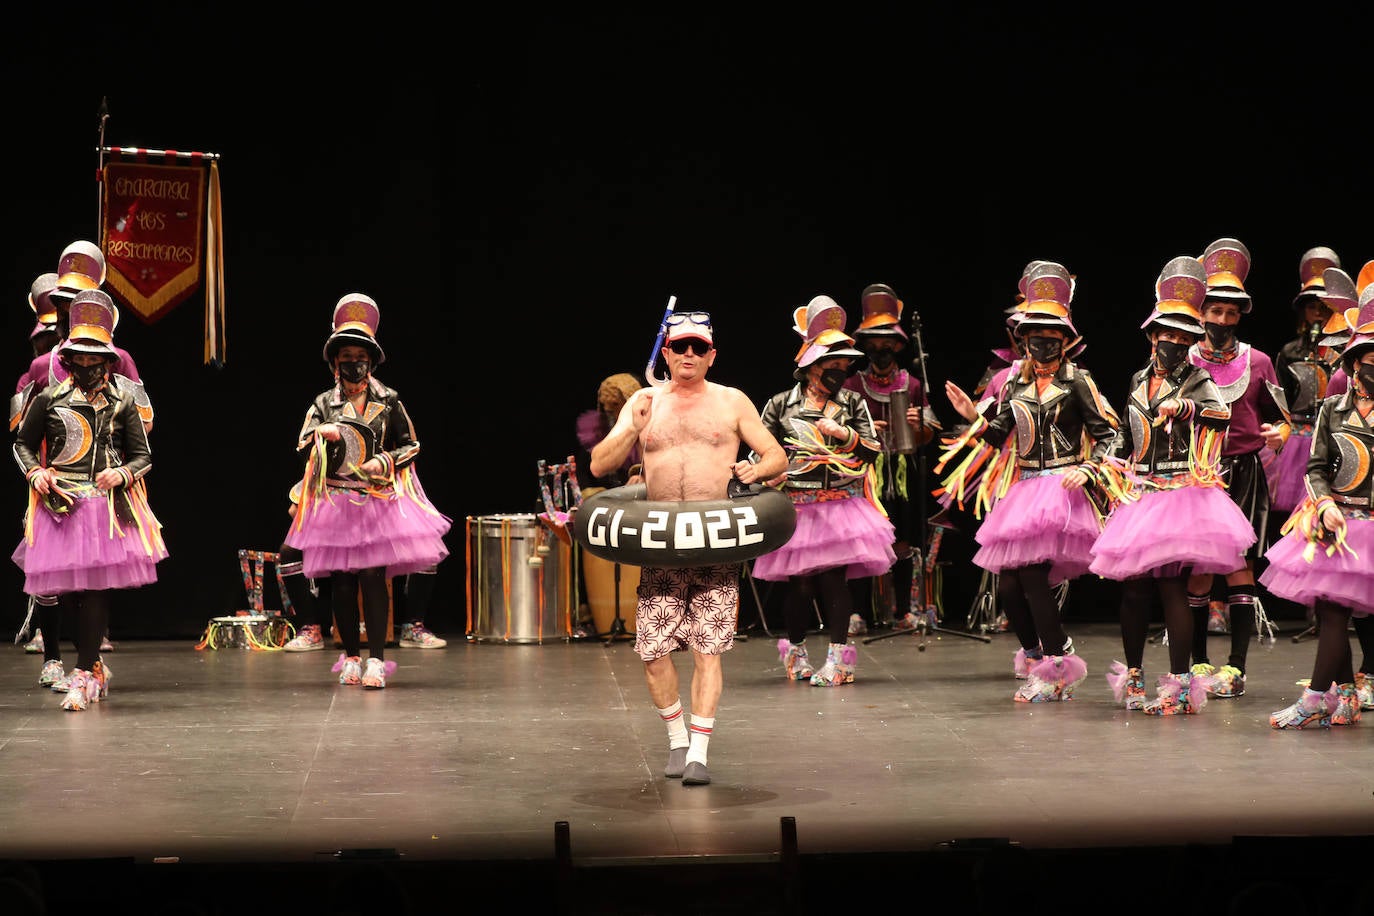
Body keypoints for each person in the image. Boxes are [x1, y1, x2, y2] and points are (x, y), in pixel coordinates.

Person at [588, 309, 785, 786]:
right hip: (660, 546)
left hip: (714, 544)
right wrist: (631, 428)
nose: (689, 354)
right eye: (680, 347)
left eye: (699, 347)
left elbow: (776, 455)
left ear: (712, 355)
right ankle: (677, 740)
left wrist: (755, 470)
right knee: (653, 653)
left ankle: (699, 751)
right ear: (667, 353)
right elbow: (598, 465)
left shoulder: (731, 401)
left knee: (707, 651)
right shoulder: (644, 401)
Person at [942, 260, 1119, 702]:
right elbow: (998, 435)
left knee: (1034, 577)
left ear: (1065, 338)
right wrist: (972, 417)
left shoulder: (1078, 382)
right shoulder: (1014, 385)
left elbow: (1109, 435)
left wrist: (1090, 468)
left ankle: (1055, 666)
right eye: (1034, 334)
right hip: (1024, 489)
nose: (1042, 341)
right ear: (1023, 339)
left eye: (1051, 333)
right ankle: (1041, 653)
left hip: (1060, 489)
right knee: (1008, 585)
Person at [1088, 255, 1255, 715]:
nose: (1176, 343)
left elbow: (1221, 414)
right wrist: (1102, 463)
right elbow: (1126, 435)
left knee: (1170, 589)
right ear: (1152, 335)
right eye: (1169, 334)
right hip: (1142, 493)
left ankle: (1180, 685)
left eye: (1185, 337)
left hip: (1180, 492)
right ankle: (1135, 676)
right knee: (1134, 591)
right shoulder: (1138, 379)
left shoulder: (1197, 378)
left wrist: (1186, 408)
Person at [283, 293, 451, 688]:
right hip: (336, 502)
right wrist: (321, 435)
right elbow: (302, 443)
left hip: (375, 500)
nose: (353, 363)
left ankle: (376, 659)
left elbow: (411, 444)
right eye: (346, 356)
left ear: (371, 361)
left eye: (360, 356)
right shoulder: (323, 403)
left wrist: (384, 461)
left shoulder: (389, 400)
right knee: (342, 581)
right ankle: (351, 658)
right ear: (334, 362)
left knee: (374, 577)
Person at [11, 290, 167, 710]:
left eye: (94, 358)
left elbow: (143, 455)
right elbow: (23, 444)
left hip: (104, 508)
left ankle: (83, 674)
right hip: (60, 506)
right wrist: (37, 472)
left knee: (96, 589)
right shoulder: (50, 398)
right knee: (69, 591)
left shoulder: (122, 401)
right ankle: (89, 665)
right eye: (78, 358)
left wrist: (122, 472)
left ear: (107, 361)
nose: (86, 365)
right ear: (68, 360)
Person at [16, 244, 148, 670]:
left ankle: (88, 662)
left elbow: (144, 424)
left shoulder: (120, 361)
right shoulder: (44, 366)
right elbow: (21, 428)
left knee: (93, 580)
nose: (68, 308)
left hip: (102, 480)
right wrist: (38, 471)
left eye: (76, 300)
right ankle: (53, 656)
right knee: (50, 575)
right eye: (63, 301)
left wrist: (117, 462)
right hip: (52, 478)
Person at [753, 295, 895, 688]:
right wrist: (760, 473)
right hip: (797, 507)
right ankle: (795, 651)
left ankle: (839, 660)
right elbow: (760, 451)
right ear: (811, 365)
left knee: (834, 580)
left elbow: (872, 450)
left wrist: (844, 434)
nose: (840, 370)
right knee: (800, 586)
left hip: (839, 507)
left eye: (844, 364)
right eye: (832, 363)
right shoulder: (780, 404)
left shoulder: (852, 403)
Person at [1182, 238, 1290, 700]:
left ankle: (1237, 667)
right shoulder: (1183, 358)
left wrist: (1280, 434)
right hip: (1198, 473)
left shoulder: (1259, 361)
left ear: (1241, 315)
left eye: (1231, 312)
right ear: (1201, 312)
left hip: (1244, 471)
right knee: (1198, 568)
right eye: (1215, 311)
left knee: (1238, 566)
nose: (1222, 320)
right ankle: (1198, 661)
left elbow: (1284, 418)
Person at [1262, 287, 1374, 728]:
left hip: (1370, 529)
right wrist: (1324, 503)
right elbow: (1315, 467)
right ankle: (1340, 696)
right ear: (1354, 364)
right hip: (1335, 521)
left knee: (1337, 612)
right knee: (1331, 610)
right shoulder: (1333, 409)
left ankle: (1317, 698)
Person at [840, 283, 941, 635]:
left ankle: (903, 612)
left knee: (901, 542)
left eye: (887, 343)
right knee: (863, 541)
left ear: (898, 345)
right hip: (863, 473)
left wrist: (917, 427)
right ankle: (857, 612)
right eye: (873, 343)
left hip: (902, 472)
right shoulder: (852, 385)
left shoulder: (912, 384)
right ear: (864, 345)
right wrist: (865, 431)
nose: (880, 350)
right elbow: (839, 432)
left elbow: (929, 433)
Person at [1268, 248, 1348, 518]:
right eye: (1313, 306)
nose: (1319, 313)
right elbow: (1280, 403)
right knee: (1289, 513)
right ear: (1303, 311)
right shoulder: (1290, 352)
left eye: (1325, 307)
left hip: (1333, 436)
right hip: (1296, 442)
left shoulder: (1347, 353)